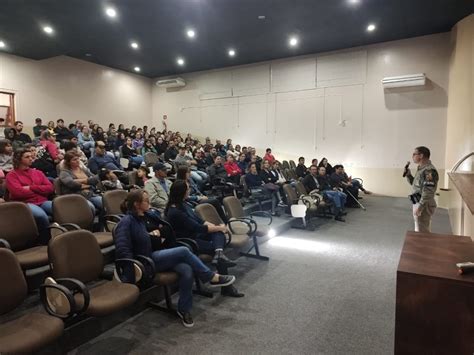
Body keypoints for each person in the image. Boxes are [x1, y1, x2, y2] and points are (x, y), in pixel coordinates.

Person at [114, 189, 236, 328]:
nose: (150, 202)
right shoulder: (127, 222)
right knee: (184, 250)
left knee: (187, 270)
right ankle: (210, 277)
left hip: (162, 253)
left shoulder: (150, 215)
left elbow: (166, 229)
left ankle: (184, 309)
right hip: (147, 260)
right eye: (146, 200)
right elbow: (123, 248)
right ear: (136, 204)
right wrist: (130, 273)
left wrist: (157, 233)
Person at [165, 180, 235, 268]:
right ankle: (219, 256)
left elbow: (200, 221)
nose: (189, 190)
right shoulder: (175, 211)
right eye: (188, 189)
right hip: (189, 241)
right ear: (182, 192)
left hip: (196, 235)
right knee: (219, 240)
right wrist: (220, 228)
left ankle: (219, 254)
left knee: (218, 235)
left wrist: (216, 227)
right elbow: (197, 227)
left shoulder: (183, 203)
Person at [6, 148, 54, 243]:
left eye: (31, 157)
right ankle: (47, 242)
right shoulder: (12, 175)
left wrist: (31, 188)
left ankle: (66, 236)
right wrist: (40, 189)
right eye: (27, 157)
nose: (31, 159)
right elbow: (18, 193)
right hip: (25, 204)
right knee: (41, 216)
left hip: (43, 201)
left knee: (60, 209)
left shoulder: (38, 172)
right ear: (18, 159)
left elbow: (50, 188)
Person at [405, 146, 438, 233]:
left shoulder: (429, 171)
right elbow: (416, 185)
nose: (412, 156)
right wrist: (408, 175)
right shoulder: (421, 169)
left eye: (414, 154)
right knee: (419, 228)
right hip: (418, 201)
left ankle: (425, 246)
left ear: (421, 155)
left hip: (424, 204)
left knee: (422, 231)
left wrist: (420, 207)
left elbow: (428, 191)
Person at [59, 151, 103, 215]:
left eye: (78, 158)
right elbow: (71, 183)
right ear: (68, 162)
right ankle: (90, 224)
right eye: (74, 160)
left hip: (90, 194)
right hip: (77, 196)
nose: (77, 161)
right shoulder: (64, 172)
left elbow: (95, 179)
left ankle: (101, 223)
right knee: (91, 208)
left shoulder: (83, 169)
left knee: (105, 204)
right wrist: (87, 181)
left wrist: (79, 180)